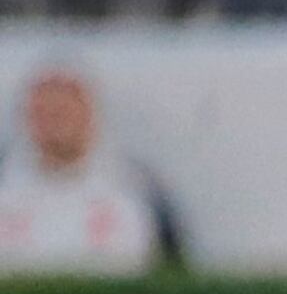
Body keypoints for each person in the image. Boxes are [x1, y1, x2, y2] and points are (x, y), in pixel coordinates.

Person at [0, 62, 182, 275]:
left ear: (89, 112)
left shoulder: (136, 190)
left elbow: (171, 274)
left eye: (64, 111)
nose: (55, 123)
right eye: (44, 112)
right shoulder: (7, 187)